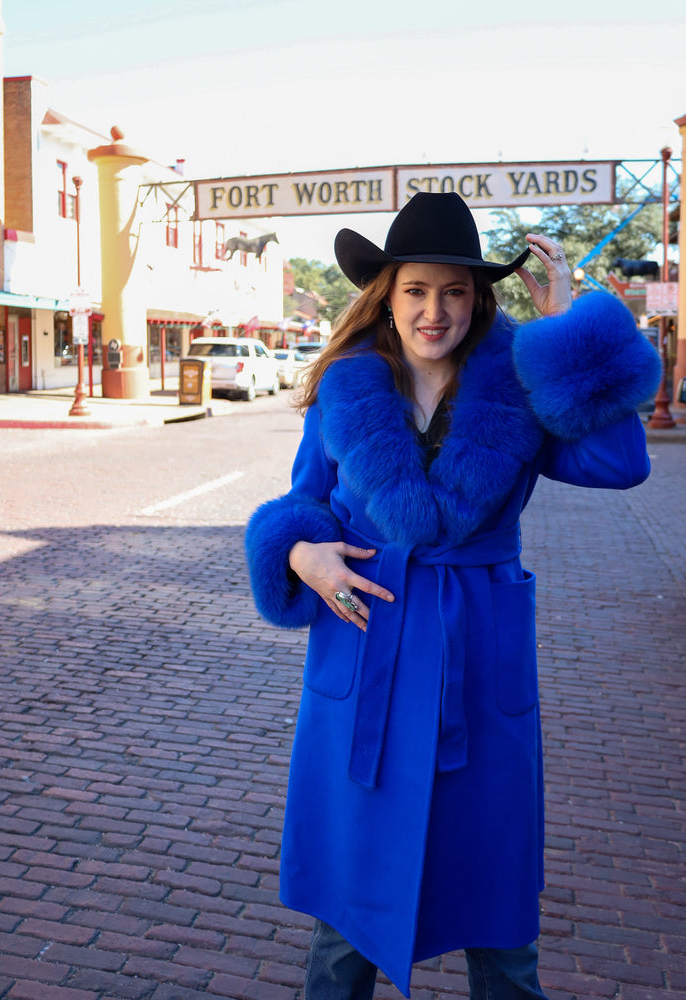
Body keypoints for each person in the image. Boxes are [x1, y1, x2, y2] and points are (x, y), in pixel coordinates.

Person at [245, 192, 661, 1000]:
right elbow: (303, 503)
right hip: (365, 643)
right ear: (387, 297)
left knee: (499, 920)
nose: (435, 311)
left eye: (455, 291)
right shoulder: (346, 389)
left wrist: (561, 329)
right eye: (416, 291)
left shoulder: (521, 386)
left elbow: (620, 463)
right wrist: (302, 554)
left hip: (478, 657)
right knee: (343, 929)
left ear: (479, 298)